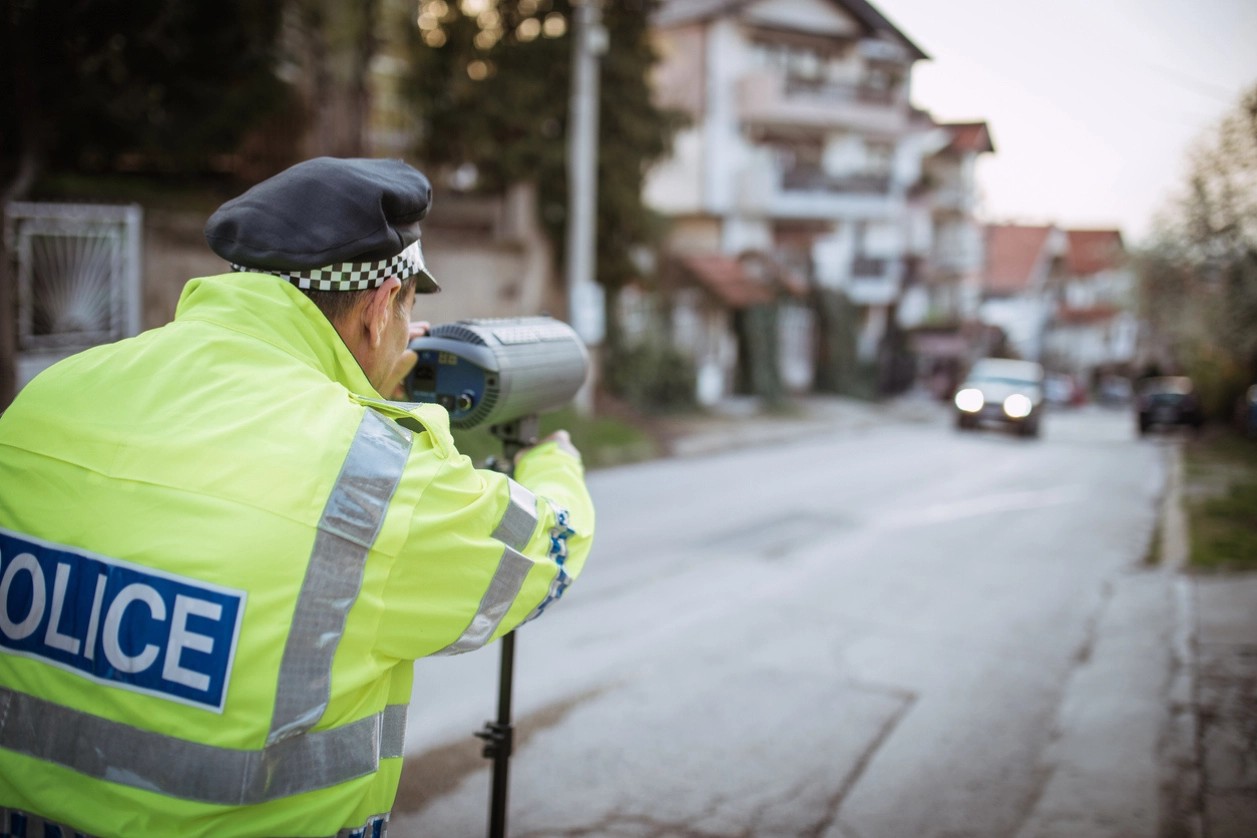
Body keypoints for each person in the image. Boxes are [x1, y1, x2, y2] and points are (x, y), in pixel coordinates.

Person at [0, 157, 594, 837]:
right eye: (408, 308)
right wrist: (552, 463)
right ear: (377, 310)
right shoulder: (377, 473)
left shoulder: (50, 395)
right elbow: (544, 551)